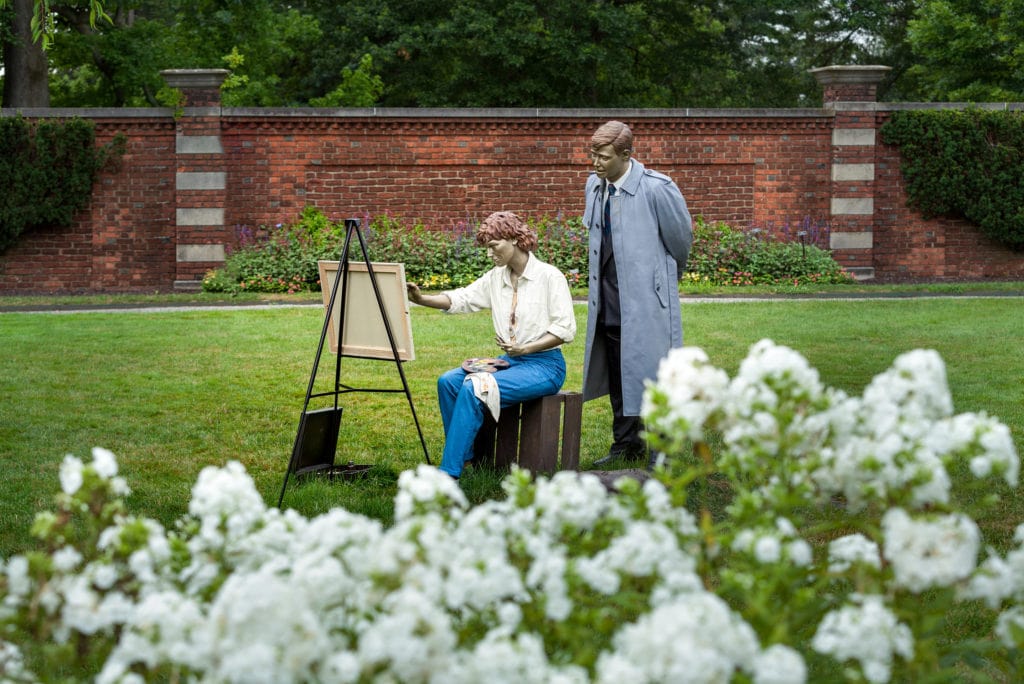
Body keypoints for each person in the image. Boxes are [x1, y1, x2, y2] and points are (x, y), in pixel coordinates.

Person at [406, 211, 576, 479]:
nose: (489, 254)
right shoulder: (496, 277)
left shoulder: (549, 277)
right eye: (487, 248)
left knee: (476, 386)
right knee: (448, 382)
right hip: (510, 362)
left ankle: (447, 474)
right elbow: (463, 298)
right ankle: (467, 458)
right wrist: (421, 298)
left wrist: (527, 348)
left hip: (545, 366)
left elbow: (565, 329)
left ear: (514, 240)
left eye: (494, 246)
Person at [582, 120, 693, 468]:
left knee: (654, 374)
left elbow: (681, 242)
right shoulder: (594, 186)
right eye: (594, 155)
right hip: (607, 300)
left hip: (647, 303)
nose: (596, 163)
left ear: (626, 155)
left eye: (603, 157)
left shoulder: (658, 188)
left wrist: (660, 285)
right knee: (619, 371)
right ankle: (626, 444)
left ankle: (662, 451)